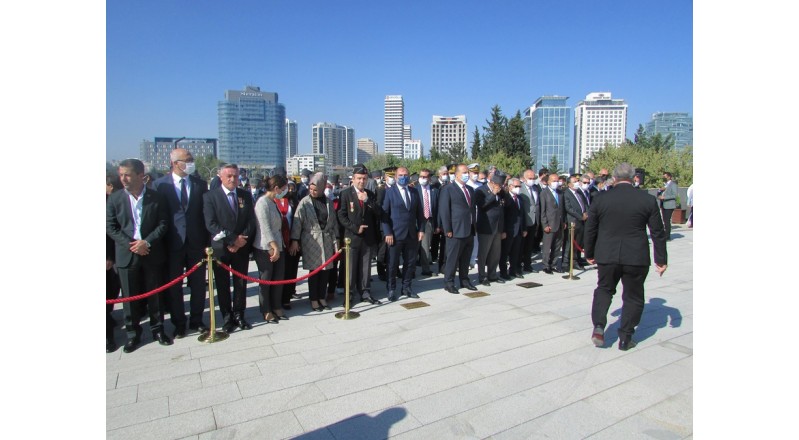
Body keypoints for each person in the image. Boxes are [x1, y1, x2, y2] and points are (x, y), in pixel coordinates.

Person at [584, 162, 668, 351]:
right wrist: (661, 259)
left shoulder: (601, 199)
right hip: (636, 255)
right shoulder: (646, 199)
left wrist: (589, 253)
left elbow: (591, 229)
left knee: (604, 289)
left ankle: (598, 326)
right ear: (633, 179)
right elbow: (657, 232)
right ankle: (625, 337)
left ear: (614, 178)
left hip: (607, 254)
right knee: (633, 296)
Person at [106, 158, 172, 353]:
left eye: (127, 174)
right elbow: (110, 226)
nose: (123, 179)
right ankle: (133, 334)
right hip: (127, 254)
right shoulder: (115, 198)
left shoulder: (156, 197)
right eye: (121, 175)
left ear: (140, 175)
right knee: (130, 298)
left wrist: (147, 242)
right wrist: (132, 245)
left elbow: (163, 223)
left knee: (155, 295)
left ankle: (158, 329)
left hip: (151, 252)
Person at [153, 149, 210, 338]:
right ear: (176, 163)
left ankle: (196, 320)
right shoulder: (160, 185)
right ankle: (178, 323)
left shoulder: (200, 184)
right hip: (173, 245)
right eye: (188, 160)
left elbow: (205, 215)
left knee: (198, 285)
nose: (192, 163)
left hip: (196, 243)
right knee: (174, 288)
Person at [203, 163, 256, 333]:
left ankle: (240, 314)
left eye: (235, 176)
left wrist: (241, 241)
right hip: (221, 248)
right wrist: (232, 240)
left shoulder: (245, 195)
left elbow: (250, 221)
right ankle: (227, 317)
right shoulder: (210, 196)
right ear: (220, 177)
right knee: (222, 284)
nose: (233, 179)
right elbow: (211, 224)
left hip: (241, 247)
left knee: (241, 282)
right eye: (229, 176)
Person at [290, 173, 340, 311]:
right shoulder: (305, 202)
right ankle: (313, 299)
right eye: (311, 189)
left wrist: (337, 240)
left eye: (315, 190)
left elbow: (334, 223)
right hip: (311, 240)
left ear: (323, 188)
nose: (312, 192)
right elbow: (297, 222)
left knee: (326, 271)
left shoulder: (328, 202)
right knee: (315, 271)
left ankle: (321, 297)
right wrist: (295, 240)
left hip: (327, 239)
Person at [337, 164, 382, 305]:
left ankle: (365, 292)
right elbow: (341, 216)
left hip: (368, 238)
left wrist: (367, 201)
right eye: (359, 178)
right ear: (353, 178)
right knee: (350, 268)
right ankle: (349, 294)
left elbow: (379, 213)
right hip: (352, 237)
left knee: (365, 267)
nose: (361, 181)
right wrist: (356, 228)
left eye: (364, 178)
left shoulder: (371, 194)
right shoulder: (345, 193)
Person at [381, 166, 425, 301]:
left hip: (412, 234)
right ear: (395, 177)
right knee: (392, 264)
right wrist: (387, 232)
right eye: (400, 175)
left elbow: (420, 213)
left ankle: (406, 287)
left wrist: (421, 229)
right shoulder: (389, 192)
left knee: (410, 263)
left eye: (405, 175)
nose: (403, 177)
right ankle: (391, 288)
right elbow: (384, 214)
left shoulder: (414, 191)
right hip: (394, 234)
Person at [253, 175, 289, 323]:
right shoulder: (262, 202)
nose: (285, 191)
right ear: (276, 188)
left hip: (278, 246)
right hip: (265, 247)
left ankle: (276, 306)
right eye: (283, 188)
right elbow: (265, 227)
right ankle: (266, 309)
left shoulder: (273, 202)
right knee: (266, 279)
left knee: (278, 278)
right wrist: (273, 246)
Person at [438, 164, 478, 294]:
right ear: (456, 174)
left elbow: (471, 209)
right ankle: (449, 282)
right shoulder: (448, 189)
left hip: (469, 229)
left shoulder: (470, 190)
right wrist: (447, 229)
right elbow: (444, 210)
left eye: (468, 172)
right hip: (455, 230)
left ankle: (464, 280)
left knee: (466, 258)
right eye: (464, 172)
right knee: (452, 259)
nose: (467, 174)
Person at [474, 170, 506, 286]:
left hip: (497, 228)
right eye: (498, 185)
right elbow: (482, 205)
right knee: (483, 253)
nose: (499, 187)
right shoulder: (480, 191)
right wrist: (492, 194)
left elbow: (502, 210)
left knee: (495, 253)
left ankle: (492, 274)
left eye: (501, 185)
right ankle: (482, 276)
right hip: (486, 227)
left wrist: (502, 229)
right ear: (492, 182)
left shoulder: (501, 192)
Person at [106, 173, 123, 353]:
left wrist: (109, 256)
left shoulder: (108, 200)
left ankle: (107, 335)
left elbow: (108, 231)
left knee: (110, 289)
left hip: (108, 257)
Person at [500, 178, 526, 280]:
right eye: (516, 186)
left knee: (516, 252)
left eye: (519, 186)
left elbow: (522, 215)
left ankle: (513, 270)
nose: (518, 188)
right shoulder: (505, 198)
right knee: (505, 253)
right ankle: (503, 272)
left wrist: (524, 228)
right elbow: (503, 216)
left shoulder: (519, 198)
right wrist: (503, 231)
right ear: (510, 186)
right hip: (508, 230)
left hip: (518, 230)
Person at [540, 173, 565, 274]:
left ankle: (553, 264)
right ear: (549, 181)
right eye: (554, 180)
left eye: (557, 180)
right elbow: (543, 211)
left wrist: (564, 222)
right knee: (547, 247)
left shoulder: (560, 192)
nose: (556, 182)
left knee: (557, 246)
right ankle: (546, 265)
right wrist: (545, 225)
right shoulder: (544, 193)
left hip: (559, 223)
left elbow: (562, 209)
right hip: (549, 224)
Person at [415, 168, 439, 277]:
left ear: (429, 178)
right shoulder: (414, 189)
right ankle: (410, 270)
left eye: (425, 177)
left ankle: (425, 269)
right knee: (413, 247)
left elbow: (437, 208)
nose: (423, 179)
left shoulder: (435, 190)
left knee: (425, 247)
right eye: (421, 177)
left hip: (429, 220)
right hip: (416, 221)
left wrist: (438, 224)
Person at [562, 175, 589, 270]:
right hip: (573, 222)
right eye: (575, 181)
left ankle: (576, 260)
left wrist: (586, 213)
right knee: (570, 243)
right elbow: (569, 208)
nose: (577, 183)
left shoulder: (579, 193)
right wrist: (580, 216)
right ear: (569, 184)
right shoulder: (566, 193)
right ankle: (566, 262)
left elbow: (584, 205)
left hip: (581, 222)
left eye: (578, 181)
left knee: (579, 243)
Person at [519, 168, 541, 274]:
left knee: (529, 245)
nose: (532, 180)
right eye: (530, 178)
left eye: (533, 178)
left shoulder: (536, 188)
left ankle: (528, 265)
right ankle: (518, 265)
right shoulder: (520, 189)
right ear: (524, 178)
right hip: (525, 221)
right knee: (521, 245)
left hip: (534, 221)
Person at [659, 171, 678, 240]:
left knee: (667, 220)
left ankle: (667, 236)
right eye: (663, 176)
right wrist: (660, 191)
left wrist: (664, 197)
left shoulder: (673, 184)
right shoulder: (665, 184)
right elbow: (663, 192)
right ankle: (665, 234)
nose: (664, 178)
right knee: (664, 220)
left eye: (665, 176)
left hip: (669, 205)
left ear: (669, 177)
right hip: (663, 204)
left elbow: (675, 195)